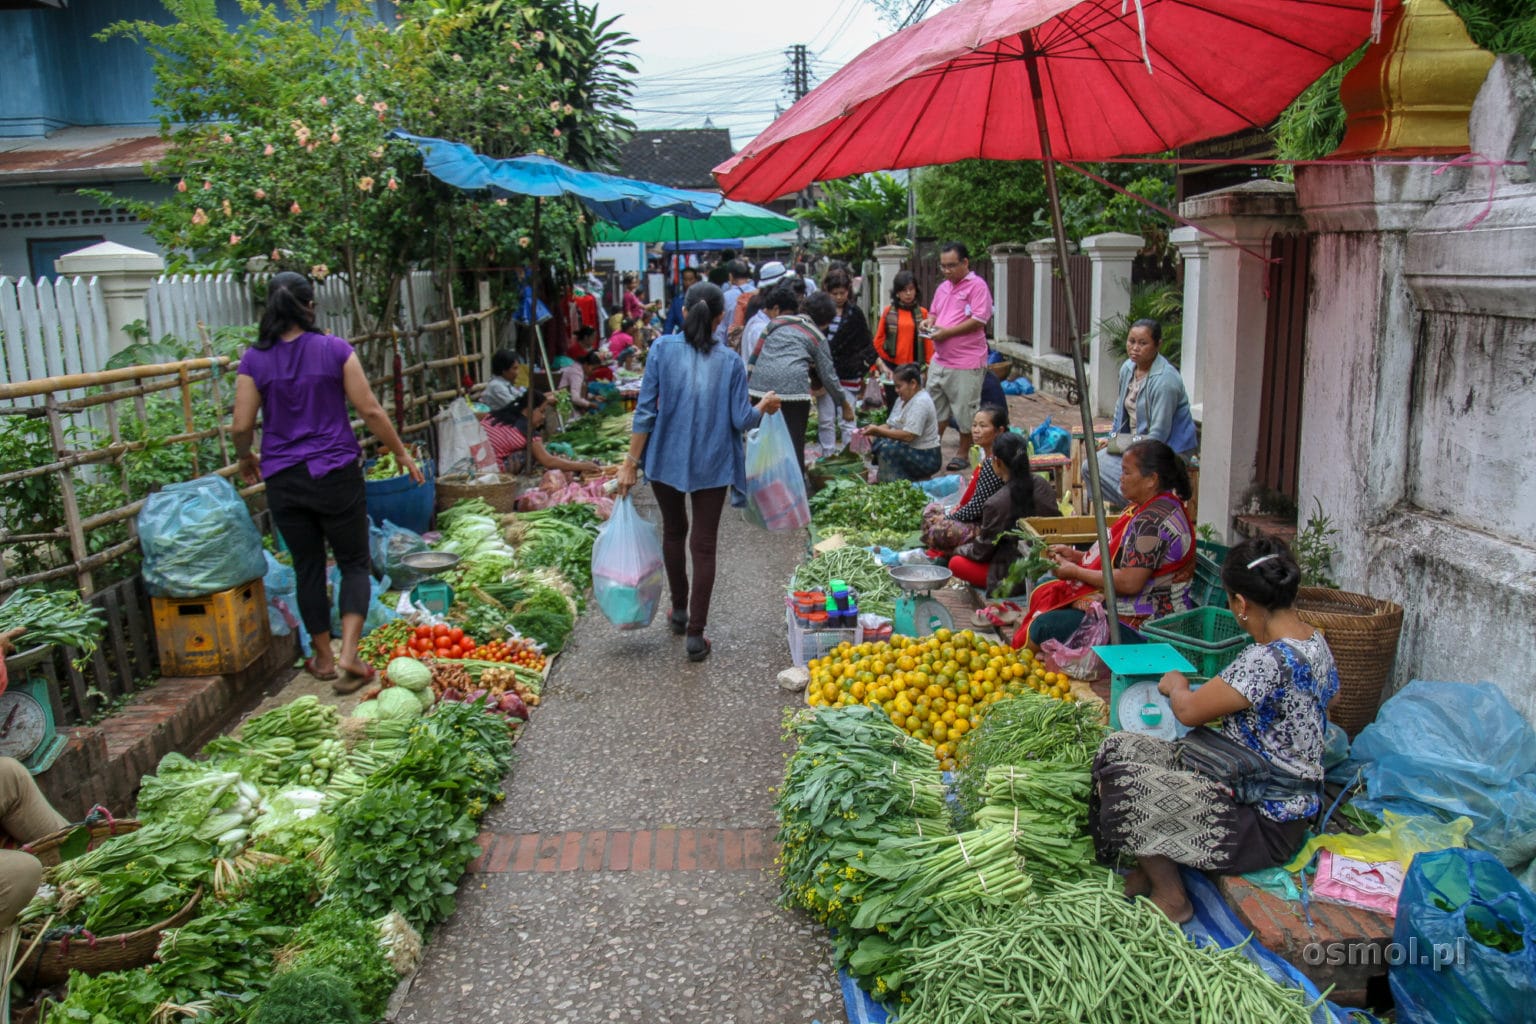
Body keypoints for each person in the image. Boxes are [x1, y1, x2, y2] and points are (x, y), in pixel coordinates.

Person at [1092, 537, 1339, 922]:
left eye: (1230, 601)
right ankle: (1149, 867)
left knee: (1124, 786)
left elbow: (1188, 711)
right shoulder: (1316, 643)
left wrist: (1175, 683)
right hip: (1255, 787)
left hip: (1263, 820)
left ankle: (1172, 897)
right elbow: (1328, 701)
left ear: (1241, 604)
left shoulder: (1267, 660)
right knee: (1118, 749)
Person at [233, 271, 422, 691]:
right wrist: (401, 451)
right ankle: (350, 656)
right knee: (354, 563)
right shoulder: (334, 350)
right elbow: (370, 411)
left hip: (284, 477)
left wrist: (247, 454)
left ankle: (322, 657)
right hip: (336, 473)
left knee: (308, 568)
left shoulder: (254, 360)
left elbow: (241, 423)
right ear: (309, 306)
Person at [617, 282, 781, 662]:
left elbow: (645, 412)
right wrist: (765, 406)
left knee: (674, 533)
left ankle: (678, 612)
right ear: (721, 318)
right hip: (714, 462)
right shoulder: (730, 362)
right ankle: (695, 635)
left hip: (664, 461)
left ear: (685, 312)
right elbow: (742, 420)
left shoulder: (660, 349)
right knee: (703, 545)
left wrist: (630, 462)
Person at [1017, 439, 1197, 650]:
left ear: (1151, 480)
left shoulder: (1152, 524)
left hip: (1147, 627)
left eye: (1127, 473)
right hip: (1131, 605)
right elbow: (1122, 557)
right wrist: (1076, 557)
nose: (1121, 479)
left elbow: (1129, 583)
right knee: (1046, 587)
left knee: (1043, 627)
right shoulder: (1152, 506)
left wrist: (1075, 571)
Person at [747, 287, 853, 473]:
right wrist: (844, 404)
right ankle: (793, 491)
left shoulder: (777, 322)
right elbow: (828, 375)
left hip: (760, 389)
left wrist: (748, 385)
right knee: (793, 442)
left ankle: (760, 487)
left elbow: (755, 355)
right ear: (826, 321)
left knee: (763, 441)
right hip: (793, 392)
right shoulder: (817, 335)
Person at [1095, 318, 1197, 508]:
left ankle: (1141, 510)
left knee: (1126, 479)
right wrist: (1113, 439)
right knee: (1091, 467)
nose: (1135, 348)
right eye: (1131, 341)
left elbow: (1158, 437)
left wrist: (1121, 447)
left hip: (1168, 449)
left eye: (1143, 343)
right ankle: (1135, 508)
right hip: (1136, 441)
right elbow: (1120, 409)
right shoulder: (1127, 368)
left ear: (1158, 345)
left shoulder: (1166, 382)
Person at [946, 431, 1059, 599]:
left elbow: (982, 551)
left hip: (1012, 577)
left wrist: (957, 549)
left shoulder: (996, 503)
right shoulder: (1043, 484)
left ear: (997, 462)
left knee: (955, 563)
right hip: (1047, 563)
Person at [920, 242, 994, 472]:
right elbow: (934, 313)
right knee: (934, 407)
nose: (947, 271)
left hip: (966, 361)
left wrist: (946, 332)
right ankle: (931, 449)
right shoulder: (943, 287)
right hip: (940, 359)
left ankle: (963, 452)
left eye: (951, 265)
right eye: (943, 266)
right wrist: (929, 323)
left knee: (965, 410)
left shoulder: (977, 287)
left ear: (965, 262)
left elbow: (979, 320)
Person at [920, 404, 1010, 553]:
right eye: (974, 425)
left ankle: (952, 553)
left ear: (999, 431)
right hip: (975, 516)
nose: (976, 430)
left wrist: (948, 517)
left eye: (983, 426)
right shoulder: (986, 457)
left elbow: (977, 507)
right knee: (931, 510)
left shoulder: (994, 463)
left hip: (985, 525)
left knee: (939, 529)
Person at [819, 268, 877, 454]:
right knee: (826, 419)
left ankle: (848, 455)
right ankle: (827, 455)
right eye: (834, 293)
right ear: (827, 291)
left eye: (842, 293)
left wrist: (870, 366)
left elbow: (865, 343)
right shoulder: (819, 313)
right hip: (825, 375)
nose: (838, 297)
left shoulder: (855, 314)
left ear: (848, 291)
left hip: (849, 375)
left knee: (848, 419)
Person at [483, 388, 602, 475]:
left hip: (478, 465)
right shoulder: (527, 429)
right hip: (493, 472)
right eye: (542, 411)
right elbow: (548, 461)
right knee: (532, 453)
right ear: (530, 410)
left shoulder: (497, 415)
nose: (544, 416)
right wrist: (583, 466)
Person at [864, 364, 943, 482]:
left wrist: (878, 431)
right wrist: (869, 433)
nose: (896, 390)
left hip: (926, 455)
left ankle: (897, 482)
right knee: (880, 441)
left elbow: (909, 436)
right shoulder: (902, 399)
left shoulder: (921, 402)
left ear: (913, 383)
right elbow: (890, 425)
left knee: (887, 448)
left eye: (899, 386)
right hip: (910, 449)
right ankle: (893, 478)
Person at [873, 270, 933, 410]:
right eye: (904, 290)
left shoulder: (923, 313)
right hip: (892, 367)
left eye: (911, 289)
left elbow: (928, 342)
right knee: (893, 406)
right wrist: (880, 366)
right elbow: (878, 340)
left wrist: (928, 368)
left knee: (914, 406)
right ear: (897, 293)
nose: (908, 293)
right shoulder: (889, 312)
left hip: (914, 368)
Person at [717, 259, 756, 349]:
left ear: (730, 276)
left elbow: (721, 328)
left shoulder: (726, 296)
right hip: (752, 344)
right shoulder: (756, 292)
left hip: (732, 345)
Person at [664, 266, 701, 335]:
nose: (687, 283)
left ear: (696, 280)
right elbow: (668, 325)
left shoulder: (703, 299)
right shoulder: (676, 302)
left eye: (690, 279)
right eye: (685, 279)